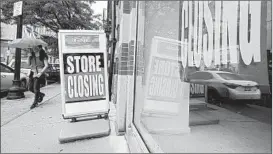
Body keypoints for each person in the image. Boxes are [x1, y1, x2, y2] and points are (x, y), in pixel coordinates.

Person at [28, 45, 49, 109]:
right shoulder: (32, 55)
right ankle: (41, 95)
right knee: (30, 88)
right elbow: (29, 64)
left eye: (35, 47)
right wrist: (29, 56)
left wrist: (41, 72)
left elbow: (46, 65)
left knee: (36, 88)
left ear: (39, 48)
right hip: (32, 72)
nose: (33, 48)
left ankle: (35, 102)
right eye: (33, 47)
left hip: (39, 73)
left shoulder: (43, 55)